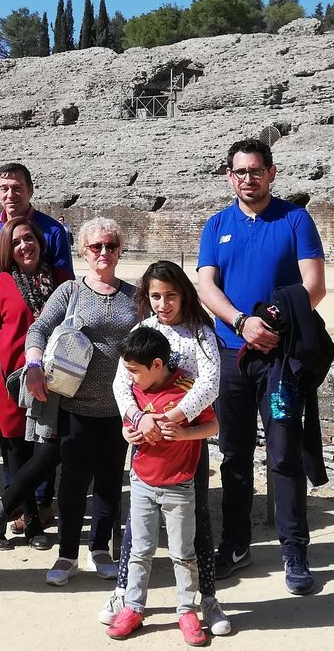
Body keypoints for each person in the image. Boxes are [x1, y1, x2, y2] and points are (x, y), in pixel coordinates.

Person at [196, 138, 326, 595]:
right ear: (229, 177)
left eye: (256, 171)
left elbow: (314, 286)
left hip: (280, 359)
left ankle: (295, 549)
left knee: (285, 453)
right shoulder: (216, 224)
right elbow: (206, 286)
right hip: (231, 355)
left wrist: (273, 324)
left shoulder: (294, 219)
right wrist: (241, 321)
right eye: (240, 172)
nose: (248, 179)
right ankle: (235, 544)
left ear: (271, 173)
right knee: (233, 456)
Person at [101, 261, 231, 636]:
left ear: (184, 294)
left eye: (170, 295)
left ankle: (204, 598)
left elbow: (209, 385)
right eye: (155, 296)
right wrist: (137, 419)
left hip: (185, 444)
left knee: (196, 524)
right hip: (146, 442)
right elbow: (122, 383)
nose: (163, 303)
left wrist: (171, 416)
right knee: (137, 531)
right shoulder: (143, 330)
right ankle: (126, 594)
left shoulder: (201, 335)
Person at [11, 217, 140, 586]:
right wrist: (33, 364)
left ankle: (100, 548)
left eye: (111, 246)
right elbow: (39, 328)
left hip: (119, 407)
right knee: (73, 481)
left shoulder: (135, 296)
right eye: (96, 246)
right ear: (83, 251)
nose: (104, 252)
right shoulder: (70, 291)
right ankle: (67, 553)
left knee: (111, 480)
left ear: (119, 250)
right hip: (76, 405)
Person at [0, 217, 56, 550]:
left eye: (30, 238)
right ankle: (29, 522)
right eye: (18, 241)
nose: (25, 245)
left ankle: (3, 510)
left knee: (48, 451)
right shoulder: (1, 284)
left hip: (50, 382)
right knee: (17, 456)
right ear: (8, 248)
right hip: (7, 382)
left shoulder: (60, 280)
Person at [0, 163, 74, 283]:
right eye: (4, 189)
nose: (10, 195)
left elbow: (65, 283)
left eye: (17, 188)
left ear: (30, 190)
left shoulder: (54, 231)